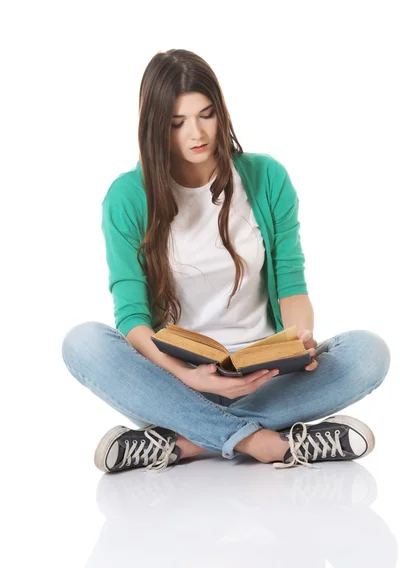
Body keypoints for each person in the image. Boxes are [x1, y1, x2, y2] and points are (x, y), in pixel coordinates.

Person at [61, 49, 391, 474]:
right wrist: (190, 377)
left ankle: (185, 443)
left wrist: (298, 338)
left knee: (369, 352)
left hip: (267, 377)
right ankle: (270, 442)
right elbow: (131, 315)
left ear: (221, 111)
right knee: (81, 342)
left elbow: (291, 281)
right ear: (155, 128)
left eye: (207, 114)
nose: (196, 133)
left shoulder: (266, 177)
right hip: (177, 383)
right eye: (177, 123)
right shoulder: (127, 196)